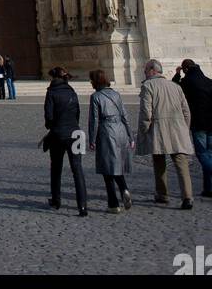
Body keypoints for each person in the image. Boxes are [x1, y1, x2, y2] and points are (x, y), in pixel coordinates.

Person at [136, 58, 194, 209]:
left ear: (152, 71)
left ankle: (162, 194)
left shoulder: (148, 86)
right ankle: (188, 197)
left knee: (159, 162)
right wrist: (184, 128)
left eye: (145, 71)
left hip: (158, 129)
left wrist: (143, 130)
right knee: (182, 163)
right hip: (178, 129)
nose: (144, 73)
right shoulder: (175, 86)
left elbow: (145, 112)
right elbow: (186, 111)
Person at [87, 69, 133, 213]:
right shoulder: (116, 94)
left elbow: (94, 120)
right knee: (117, 163)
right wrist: (130, 135)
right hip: (120, 129)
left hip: (106, 130)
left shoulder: (96, 97)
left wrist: (92, 139)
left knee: (107, 167)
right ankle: (124, 189)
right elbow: (124, 114)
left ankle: (113, 204)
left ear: (94, 82)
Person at [44, 67, 87, 216]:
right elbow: (77, 114)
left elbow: (48, 117)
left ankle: (56, 200)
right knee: (78, 170)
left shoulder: (51, 92)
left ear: (53, 78)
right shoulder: (72, 92)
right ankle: (82, 206)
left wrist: (52, 127)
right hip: (75, 133)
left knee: (56, 168)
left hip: (58, 135)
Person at [173, 59, 212, 199]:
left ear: (185, 69)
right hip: (211, 124)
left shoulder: (187, 83)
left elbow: (174, 88)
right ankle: (208, 189)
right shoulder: (208, 81)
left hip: (198, 125)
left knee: (202, 155)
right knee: (209, 155)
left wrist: (177, 75)